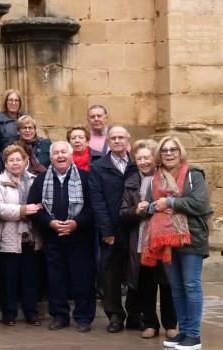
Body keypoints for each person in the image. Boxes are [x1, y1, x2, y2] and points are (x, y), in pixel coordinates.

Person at [27, 141, 96, 332]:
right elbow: (33, 208)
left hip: (80, 238)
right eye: (56, 153)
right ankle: (59, 316)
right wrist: (49, 222)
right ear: (50, 158)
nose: (60, 156)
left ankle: (83, 317)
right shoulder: (41, 180)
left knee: (82, 279)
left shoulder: (85, 178)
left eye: (63, 152)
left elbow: (93, 207)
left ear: (71, 155)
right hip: (53, 238)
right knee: (56, 280)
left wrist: (76, 223)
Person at [151, 137, 212, 350]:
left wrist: (170, 202)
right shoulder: (156, 177)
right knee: (176, 287)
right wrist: (149, 207)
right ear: (159, 154)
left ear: (180, 152)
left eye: (173, 150)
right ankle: (184, 332)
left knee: (191, 285)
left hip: (191, 236)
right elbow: (154, 205)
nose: (169, 153)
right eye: (164, 150)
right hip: (167, 239)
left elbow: (200, 203)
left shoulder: (193, 175)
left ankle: (194, 336)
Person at [118, 139, 178, 340]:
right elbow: (123, 212)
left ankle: (171, 324)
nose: (143, 161)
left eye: (147, 157)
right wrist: (137, 210)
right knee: (146, 285)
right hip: (141, 240)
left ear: (155, 158)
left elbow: (175, 205)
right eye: (139, 158)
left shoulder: (166, 178)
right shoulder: (132, 182)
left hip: (163, 240)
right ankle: (151, 323)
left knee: (167, 284)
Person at [88, 126, 141, 333]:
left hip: (135, 227)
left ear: (128, 140)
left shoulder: (137, 165)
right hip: (111, 229)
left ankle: (135, 314)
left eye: (121, 137)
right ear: (108, 141)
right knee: (111, 275)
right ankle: (115, 316)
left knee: (137, 272)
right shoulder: (99, 167)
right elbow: (97, 201)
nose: (117, 141)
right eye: (113, 138)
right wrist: (106, 231)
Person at [0, 145, 42, 326]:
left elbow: (42, 203)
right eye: (11, 160)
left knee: (30, 278)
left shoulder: (35, 180)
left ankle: (31, 313)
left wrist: (37, 209)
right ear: (5, 163)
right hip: (8, 237)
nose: (15, 163)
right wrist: (23, 210)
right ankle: (9, 314)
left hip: (31, 237)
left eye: (18, 159)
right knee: (8, 279)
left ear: (25, 160)